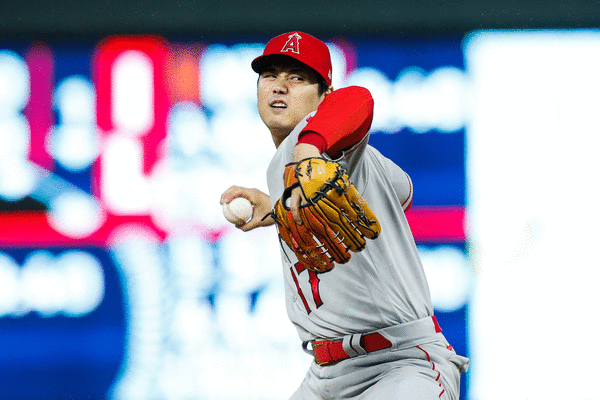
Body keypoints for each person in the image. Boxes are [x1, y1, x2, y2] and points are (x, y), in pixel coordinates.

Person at [220, 31, 469, 400]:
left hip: (399, 366)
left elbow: (358, 99)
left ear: (324, 96)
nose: (279, 87)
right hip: (327, 375)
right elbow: (405, 193)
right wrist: (279, 208)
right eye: (270, 75)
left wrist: (310, 151)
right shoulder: (322, 164)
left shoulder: (324, 143)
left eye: (297, 78)